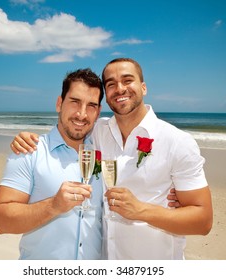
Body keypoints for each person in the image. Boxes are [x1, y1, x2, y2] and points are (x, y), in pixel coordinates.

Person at [11, 58, 213, 260]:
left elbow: (203, 221)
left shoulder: (177, 142)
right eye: (111, 84)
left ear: (143, 87)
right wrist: (29, 139)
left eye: (127, 80)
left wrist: (141, 210)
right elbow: (72, 126)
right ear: (106, 96)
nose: (120, 89)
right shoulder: (98, 132)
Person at [0, 68, 104, 259]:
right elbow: (0, 221)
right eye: (75, 102)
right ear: (59, 103)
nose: (82, 114)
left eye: (91, 105)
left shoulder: (104, 152)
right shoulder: (29, 151)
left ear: (98, 112)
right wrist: (54, 205)